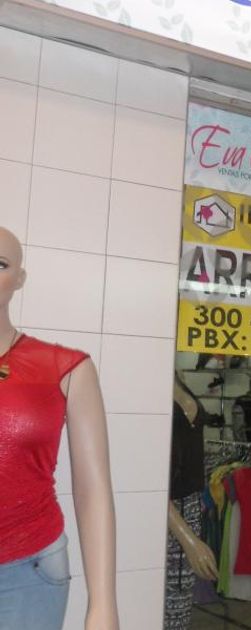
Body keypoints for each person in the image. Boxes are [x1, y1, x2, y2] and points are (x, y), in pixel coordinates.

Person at [0, 227, 119, 629]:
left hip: (26, 575)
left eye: (0, 264)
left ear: (19, 278)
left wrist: (103, 604)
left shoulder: (65, 369)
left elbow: (93, 489)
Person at [165, 373, 219, 629]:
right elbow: (149, 477)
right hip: (166, 512)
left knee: (181, 601)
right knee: (163, 603)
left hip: (191, 506)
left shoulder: (176, 374)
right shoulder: (146, 382)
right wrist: (189, 540)